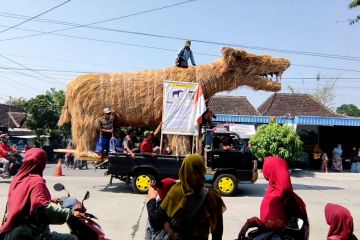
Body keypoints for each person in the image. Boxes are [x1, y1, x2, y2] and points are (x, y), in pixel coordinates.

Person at [0, 148, 81, 240]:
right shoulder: (36, 181)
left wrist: (49, 199)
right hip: (29, 233)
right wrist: (70, 213)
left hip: (12, 230)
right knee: (72, 238)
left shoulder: (18, 178)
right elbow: (42, 208)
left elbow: (23, 199)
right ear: (41, 163)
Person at [151, 154, 225, 240]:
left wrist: (151, 198)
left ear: (183, 169)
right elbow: (217, 232)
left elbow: (155, 221)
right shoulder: (213, 196)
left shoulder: (176, 192)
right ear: (202, 170)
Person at [238, 156, 309, 240]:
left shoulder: (276, 195)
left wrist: (251, 222)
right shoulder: (293, 196)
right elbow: (296, 224)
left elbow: (279, 223)